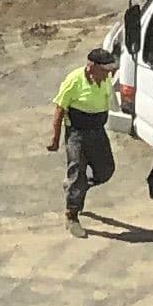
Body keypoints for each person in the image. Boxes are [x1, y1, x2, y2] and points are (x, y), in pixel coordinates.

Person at [50, 44, 121, 226]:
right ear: (92, 67)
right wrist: (55, 139)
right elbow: (59, 110)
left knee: (106, 170)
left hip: (98, 132)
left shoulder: (104, 79)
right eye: (105, 70)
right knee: (76, 172)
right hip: (77, 134)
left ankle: (79, 187)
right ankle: (72, 214)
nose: (108, 74)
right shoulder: (74, 81)